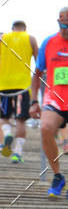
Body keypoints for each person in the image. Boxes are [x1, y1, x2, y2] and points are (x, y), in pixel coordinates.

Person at [30, 7, 68, 200]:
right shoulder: (49, 42)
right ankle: (57, 176)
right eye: (64, 25)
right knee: (45, 128)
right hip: (54, 98)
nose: (67, 30)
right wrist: (33, 101)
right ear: (58, 22)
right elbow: (37, 74)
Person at [0, 20, 39, 164]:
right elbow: (39, 62)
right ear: (25, 28)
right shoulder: (30, 38)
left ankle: (8, 134)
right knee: (20, 120)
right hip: (23, 85)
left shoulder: (2, 38)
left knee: (4, 118)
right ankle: (17, 153)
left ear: (12, 28)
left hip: (3, 85)